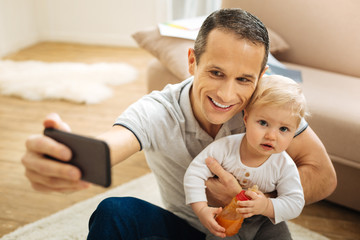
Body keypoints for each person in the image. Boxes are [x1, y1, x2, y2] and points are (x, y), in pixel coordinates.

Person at [21, 8, 336, 240]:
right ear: (192, 62)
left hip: (258, 234)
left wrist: (252, 202)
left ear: (261, 78)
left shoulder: (269, 107)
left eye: (243, 80)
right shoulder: (160, 110)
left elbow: (323, 175)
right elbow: (110, 145)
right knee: (114, 211)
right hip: (191, 231)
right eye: (215, 73)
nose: (227, 95)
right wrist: (65, 157)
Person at [184, 75, 307, 239]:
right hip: (225, 215)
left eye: (283, 129)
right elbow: (194, 173)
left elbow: (295, 203)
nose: (271, 136)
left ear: (294, 132)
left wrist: (266, 206)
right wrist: (201, 208)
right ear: (247, 119)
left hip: (264, 221)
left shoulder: (284, 166)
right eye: (263, 123)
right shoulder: (226, 147)